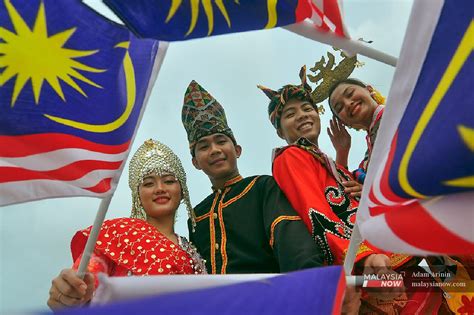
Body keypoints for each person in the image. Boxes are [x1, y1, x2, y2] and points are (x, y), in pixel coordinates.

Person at [256, 67, 443, 314]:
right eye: (290, 114)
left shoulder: (328, 162)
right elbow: (317, 212)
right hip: (369, 269)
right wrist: (363, 257)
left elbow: (346, 195)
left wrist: (341, 156)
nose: (302, 115)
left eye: (308, 109)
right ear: (280, 131)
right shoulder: (290, 156)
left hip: (394, 260)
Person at [181, 80, 361, 314]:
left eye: (221, 141)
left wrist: (314, 293)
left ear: (237, 150)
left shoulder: (262, 187)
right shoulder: (197, 216)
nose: (214, 150)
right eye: (203, 146)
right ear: (195, 162)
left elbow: (292, 242)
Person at [47, 139, 207, 309]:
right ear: (138, 195)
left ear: (182, 191)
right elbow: (84, 280)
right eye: (148, 183)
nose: (160, 188)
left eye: (169, 181)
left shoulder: (193, 250)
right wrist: (70, 293)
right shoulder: (117, 235)